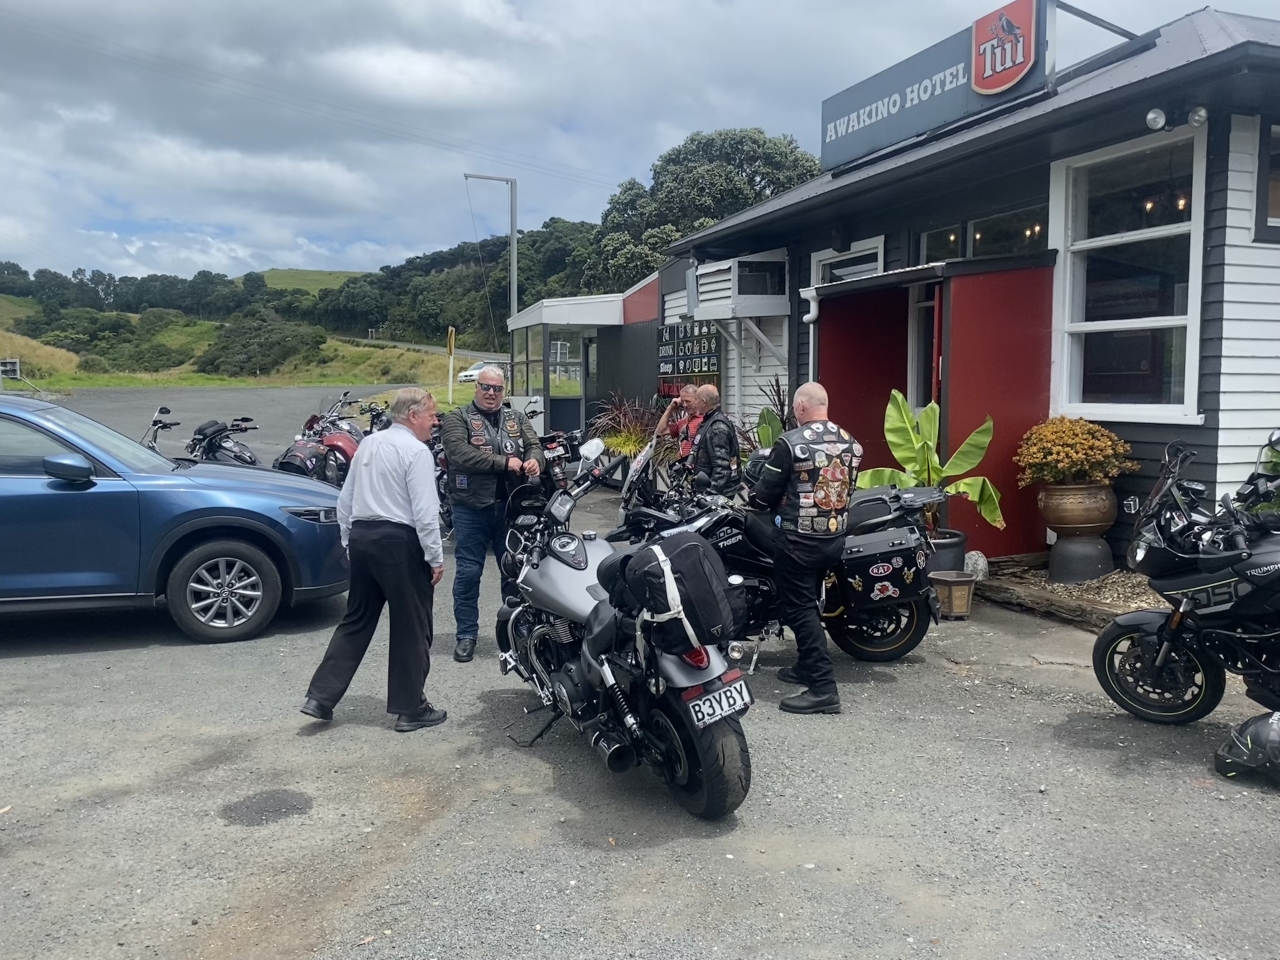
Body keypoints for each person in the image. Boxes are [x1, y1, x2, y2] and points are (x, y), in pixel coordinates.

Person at [301, 387, 447, 733]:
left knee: (357, 619)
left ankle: (320, 697)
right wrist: (435, 557)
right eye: (431, 414)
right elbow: (426, 512)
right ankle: (410, 708)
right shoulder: (417, 451)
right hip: (399, 540)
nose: (435, 421)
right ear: (413, 415)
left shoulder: (369, 443)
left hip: (364, 537)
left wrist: (350, 540)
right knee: (412, 624)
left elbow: (346, 498)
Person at [748, 381, 861, 715]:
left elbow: (765, 494)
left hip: (797, 542)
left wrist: (751, 495)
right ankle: (805, 665)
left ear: (799, 406)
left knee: (799, 610)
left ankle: (823, 689)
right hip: (832, 540)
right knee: (810, 603)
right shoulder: (851, 443)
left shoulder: (790, 444)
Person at [440, 366, 544, 664]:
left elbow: (535, 445)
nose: (491, 393)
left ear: (504, 391)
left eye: (497, 389)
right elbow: (459, 453)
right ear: (477, 387)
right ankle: (466, 635)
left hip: (511, 509)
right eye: (486, 387)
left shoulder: (516, 417)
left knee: (514, 572)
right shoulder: (457, 418)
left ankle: (515, 634)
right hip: (470, 507)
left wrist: (535, 461)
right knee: (469, 573)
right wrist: (504, 461)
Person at [689, 383, 741, 496]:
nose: (695, 403)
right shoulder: (711, 420)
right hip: (709, 487)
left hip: (718, 493)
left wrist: (710, 495)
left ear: (703, 402)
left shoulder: (717, 427)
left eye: (696, 399)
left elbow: (722, 467)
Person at [654, 383, 702, 459]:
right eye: (682, 402)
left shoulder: (705, 421)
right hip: (684, 467)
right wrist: (670, 408)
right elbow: (660, 431)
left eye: (688, 401)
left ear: (697, 399)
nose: (685, 405)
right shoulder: (683, 422)